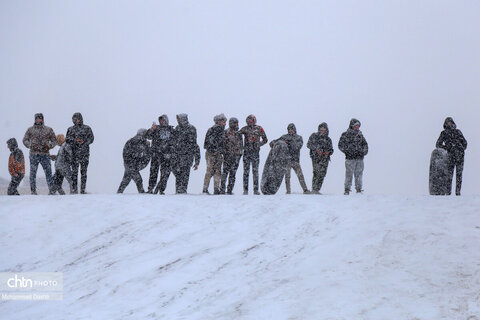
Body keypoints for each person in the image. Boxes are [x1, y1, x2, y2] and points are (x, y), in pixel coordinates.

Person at [23, 113, 57, 195]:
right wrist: (30, 145)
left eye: (40, 118)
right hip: (33, 154)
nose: (38, 120)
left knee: (48, 172)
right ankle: (33, 191)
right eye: (37, 118)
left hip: (45, 154)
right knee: (33, 173)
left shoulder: (48, 129)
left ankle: (52, 190)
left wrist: (49, 146)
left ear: (42, 119)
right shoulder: (30, 130)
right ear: (35, 120)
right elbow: (25, 140)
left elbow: (54, 140)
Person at [270, 123, 310, 194]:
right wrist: (274, 143)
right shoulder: (284, 137)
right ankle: (288, 191)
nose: (291, 131)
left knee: (300, 175)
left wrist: (288, 143)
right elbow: (275, 141)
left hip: (295, 160)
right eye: (289, 129)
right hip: (286, 160)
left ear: (295, 129)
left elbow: (297, 147)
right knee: (287, 177)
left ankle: (305, 189)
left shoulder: (299, 138)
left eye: (292, 129)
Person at [436, 117, 468, 196]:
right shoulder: (443, 133)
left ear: (452, 123)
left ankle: (458, 193)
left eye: (450, 122)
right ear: (445, 124)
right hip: (450, 156)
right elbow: (438, 144)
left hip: (460, 156)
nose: (448, 124)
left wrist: (460, 148)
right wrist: (447, 148)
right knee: (449, 175)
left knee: (459, 175)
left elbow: (465, 143)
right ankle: (448, 193)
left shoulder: (458, 132)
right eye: (447, 122)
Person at [146, 115, 176, 194]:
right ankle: (150, 188)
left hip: (166, 155)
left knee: (165, 173)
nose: (162, 122)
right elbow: (148, 136)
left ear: (166, 120)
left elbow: (174, 142)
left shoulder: (171, 130)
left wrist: (171, 152)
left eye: (163, 120)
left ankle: (161, 189)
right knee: (153, 172)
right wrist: (151, 129)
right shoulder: (156, 128)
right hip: (155, 154)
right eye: (160, 120)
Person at [338, 118, 368, 195]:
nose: (357, 127)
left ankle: (358, 189)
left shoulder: (360, 135)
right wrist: (348, 152)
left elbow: (365, 145)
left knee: (359, 174)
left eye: (358, 125)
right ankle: (347, 190)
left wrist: (363, 152)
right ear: (351, 126)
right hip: (350, 158)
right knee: (349, 174)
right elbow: (340, 145)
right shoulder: (345, 134)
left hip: (360, 158)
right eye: (355, 125)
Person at [66, 112, 94, 194]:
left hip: (84, 154)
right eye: (73, 119)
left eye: (76, 119)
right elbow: (67, 139)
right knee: (74, 173)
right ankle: (74, 190)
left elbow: (91, 138)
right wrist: (74, 141)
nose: (75, 121)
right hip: (74, 154)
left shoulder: (87, 128)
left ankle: (82, 190)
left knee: (84, 172)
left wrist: (84, 142)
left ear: (80, 119)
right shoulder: (70, 129)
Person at [239, 114, 268, 195]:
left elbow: (265, 139)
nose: (248, 122)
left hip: (255, 152)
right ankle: (245, 190)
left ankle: (256, 190)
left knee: (255, 172)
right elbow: (237, 134)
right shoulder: (244, 129)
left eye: (250, 120)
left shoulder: (259, 128)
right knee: (246, 172)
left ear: (254, 120)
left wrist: (259, 144)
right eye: (247, 120)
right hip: (246, 153)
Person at [173, 114, 200, 194]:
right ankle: (178, 190)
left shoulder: (192, 129)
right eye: (177, 119)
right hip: (177, 156)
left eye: (178, 119)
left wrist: (197, 160)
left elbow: (194, 144)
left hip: (188, 156)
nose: (177, 121)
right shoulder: (177, 128)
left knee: (185, 174)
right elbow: (174, 142)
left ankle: (183, 190)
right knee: (178, 174)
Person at [117, 129, 151, 194]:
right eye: (145, 134)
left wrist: (127, 162)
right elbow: (141, 153)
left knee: (126, 180)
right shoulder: (138, 141)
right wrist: (147, 147)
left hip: (129, 164)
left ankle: (119, 192)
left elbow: (126, 152)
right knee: (138, 179)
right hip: (132, 164)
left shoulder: (132, 141)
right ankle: (141, 193)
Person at [203, 114, 227, 194]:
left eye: (225, 121)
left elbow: (223, 143)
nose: (225, 123)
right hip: (211, 154)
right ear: (218, 121)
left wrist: (221, 151)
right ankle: (206, 188)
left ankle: (215, 188)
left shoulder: (222, 131)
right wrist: (214, 150)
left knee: (217, 171)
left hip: (218, 154)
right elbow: (208, 142)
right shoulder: (212, 130)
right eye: (223, 121)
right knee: (211, 171)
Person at [307, 123, 334, 194]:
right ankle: (314, 189)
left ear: (326, 130)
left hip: (325, 159)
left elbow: (331, 149)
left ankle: (317, 189)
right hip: (315, 157)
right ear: (319, 129)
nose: (322, 131)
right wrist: (317, 150)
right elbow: (309, 144)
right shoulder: (314, 136)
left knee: (322, 174)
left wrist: (328, 152)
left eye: (324, 129)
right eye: (321, 129)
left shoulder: (328, 139)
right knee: (316, 172)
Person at [221, 117, 243, 195]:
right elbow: (223, 144)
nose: (236, 124)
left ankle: (230, 190)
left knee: (233, 173)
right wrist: (225, 153)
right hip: (227, 156)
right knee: (225, 172)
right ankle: (222, 189)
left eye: (237, 123)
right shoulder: (226, 132)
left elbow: (241, 144)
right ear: (231, 123)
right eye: (235, 123)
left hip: (236, 156)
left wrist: (240, 154)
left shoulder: (239, 133)